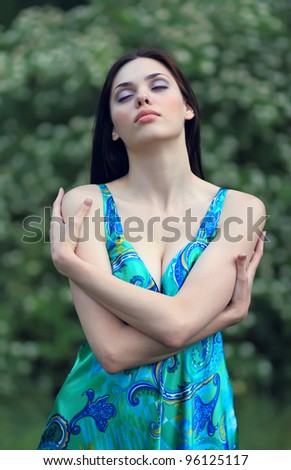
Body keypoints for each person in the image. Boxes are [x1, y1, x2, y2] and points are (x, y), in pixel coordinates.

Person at [37, 48, 266, 450]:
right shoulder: (85, 204)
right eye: (124, 96)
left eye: (158, 86)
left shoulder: (240, 209)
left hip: (198, 433)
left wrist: (71, 265)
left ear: (188, 108)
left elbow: (176, 325)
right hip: (95, 433)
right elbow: (111, 352)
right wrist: (225, 316)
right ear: (113, 128)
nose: (142, 97)